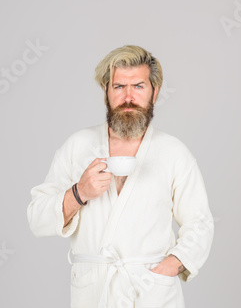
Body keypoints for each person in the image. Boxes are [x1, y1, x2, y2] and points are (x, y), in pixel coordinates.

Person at [27, 45, 214, 307]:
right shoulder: (77, 146)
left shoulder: (173, 152)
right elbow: (37, 218)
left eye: (138, 86)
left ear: (155, 91)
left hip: (151, 292)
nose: (128, 97)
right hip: (94, 292)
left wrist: (169, 267)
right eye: (118, 87)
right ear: (106, 91)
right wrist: (79, 193)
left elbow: (200, 224)